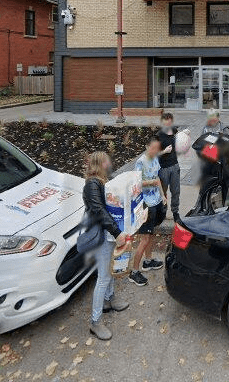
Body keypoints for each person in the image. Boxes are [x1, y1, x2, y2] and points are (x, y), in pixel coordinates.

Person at [82, 151, 130, 341]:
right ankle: (95, 321)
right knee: (103, 277)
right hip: (103, 235)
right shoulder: (93, 184)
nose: (110, 163)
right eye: (107, 160)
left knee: (110, 270)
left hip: (108, 233)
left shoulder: (100, 182)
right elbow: (99, 211)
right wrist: (117, 233)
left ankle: (110, 300)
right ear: (101, 163)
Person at [130, 138, 167, 285]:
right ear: (147, 146)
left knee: (151, 234)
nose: (154, 151)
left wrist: (162, 195)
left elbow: (157, 177)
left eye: (157, 148)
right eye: (152, 148)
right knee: (144, 238)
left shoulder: (155, 159)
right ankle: (134, 272)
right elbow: (136, 183)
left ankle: (148, 261)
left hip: (156, 201)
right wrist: (151, 182)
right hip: (145, 203)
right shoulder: (141, 162)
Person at [156, 112, 189, 223]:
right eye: (166, 124)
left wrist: (185, 134)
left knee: (176, 191)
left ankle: (175, 213)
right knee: (163, 193)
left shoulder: (174, 130)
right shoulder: (158, 135)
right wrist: (164, 151)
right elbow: (153, 154)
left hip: (175, 166)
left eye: (169, 123)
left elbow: (180, 138)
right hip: (163, 168)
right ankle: (162, 213)